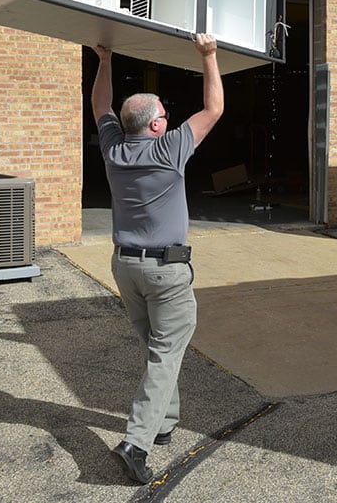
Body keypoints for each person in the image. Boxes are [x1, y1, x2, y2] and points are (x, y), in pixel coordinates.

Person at [90, 33, 224, 484]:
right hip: (166, 271)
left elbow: (101, 108)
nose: (169, 119)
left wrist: (105, 60)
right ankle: (136, 443)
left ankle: (164, 423)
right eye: (164, 115)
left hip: (125, 267)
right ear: (153, 127)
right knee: (166, 354)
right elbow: (213, 110)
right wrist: (209, 57)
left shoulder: (113, 149)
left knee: (155, 348)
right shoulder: (169, 152)